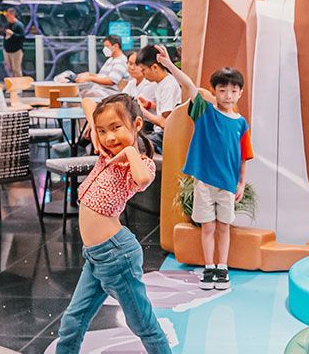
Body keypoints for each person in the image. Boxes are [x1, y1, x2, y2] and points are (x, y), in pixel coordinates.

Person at [56, 94, 170, 354]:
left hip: (117, 255)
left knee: (143, 324)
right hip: (95, 256)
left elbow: (141, 180)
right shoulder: (105, 150)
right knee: (72, 322)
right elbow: (87, 100)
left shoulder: (141, 163)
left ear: (137, 124)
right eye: (103, 131)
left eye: (116, 128)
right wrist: (96, 132)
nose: (109, 137)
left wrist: (130, 151)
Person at [153, 45, 253, 290]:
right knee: (207, 226)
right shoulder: (204, 111)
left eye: (233, 90)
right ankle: (209, 268)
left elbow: (243, 156)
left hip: (228, 184)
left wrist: (241, 183)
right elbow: (188, 84)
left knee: (223, 227)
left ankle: (222, 267)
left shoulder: (241, 124)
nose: (228, 95)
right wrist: (168, 65)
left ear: (240, 93)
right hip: (204, 183)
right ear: (214, 92)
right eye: (222, 90)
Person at [134, 45, 182, 153]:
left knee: (134, 143)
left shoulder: (168, 85)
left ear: (154, 67)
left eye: (143, 70)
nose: (142, 74)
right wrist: (149, 105)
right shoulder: (161, 83)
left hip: (163, 137)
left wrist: (142, 110)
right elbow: (167, 109)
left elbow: (164, 123)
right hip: (158, 133)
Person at [2, 8, 25, 77]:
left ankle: (19, 85)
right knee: (10, 69)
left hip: (16, 51)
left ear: (13, 15)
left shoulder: (19, 25)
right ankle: (12, 84)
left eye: (8, 16)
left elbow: (22, 37)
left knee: (16, 69)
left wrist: (13, 34)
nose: (7, 18)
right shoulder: (7, 25)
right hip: (7, 50)